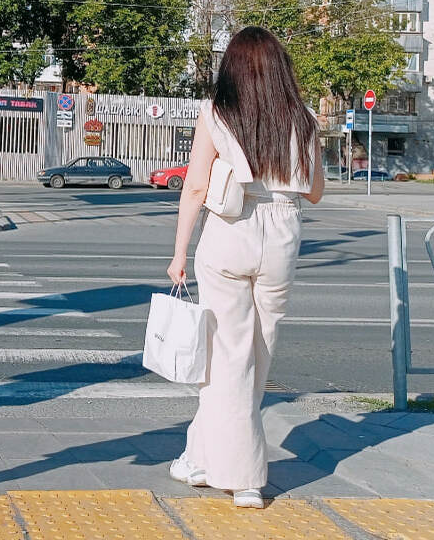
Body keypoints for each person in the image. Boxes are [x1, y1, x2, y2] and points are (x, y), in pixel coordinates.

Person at [165, 26, 324, 509]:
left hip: (231, 228)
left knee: (229, 356)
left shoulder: (217, 111)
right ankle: (198, 457)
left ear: (231, 66)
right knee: (259, 351)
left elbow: (194, 188)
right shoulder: (305, 116)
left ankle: (245, 477)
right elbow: (315, 192)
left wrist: (179, 253)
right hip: (283, 231)